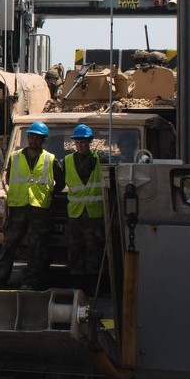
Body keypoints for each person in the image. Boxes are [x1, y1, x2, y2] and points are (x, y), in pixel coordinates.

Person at [0, 121, 56, 289]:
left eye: (38, 138)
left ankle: (29, 282)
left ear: (43, 140)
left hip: (38, 210)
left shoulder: (50, 159)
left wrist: (45, 195)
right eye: (31, 137)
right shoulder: (15, 157)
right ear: (27, 137)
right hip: (18, 209)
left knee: (35, 248)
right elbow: (10, 179)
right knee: (8, 246)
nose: (34, 141)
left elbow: (57, 182)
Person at [61, 123, 106, 288]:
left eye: (84, 142)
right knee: (75, 250)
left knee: (95, 251)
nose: (80, 145)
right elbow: (60, 183)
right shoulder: (67, 161)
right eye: (78, 142)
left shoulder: (101, 159)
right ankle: (77, 284)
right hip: (75, 215)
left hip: (95, 214)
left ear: (90, 142)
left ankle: (94, 285)